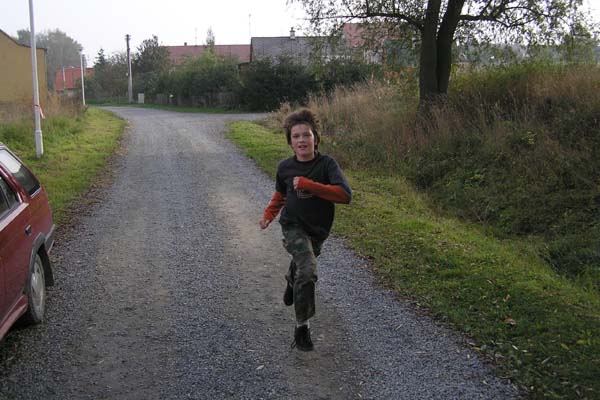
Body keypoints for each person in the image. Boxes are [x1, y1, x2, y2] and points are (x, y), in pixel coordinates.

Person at [259, 108, 352, 351]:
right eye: (296, 136)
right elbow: (281, 195)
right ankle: (302, 326)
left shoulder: (327, 165)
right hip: (292, 226)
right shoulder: (285, 168)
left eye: (306, 135)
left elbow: (344, 195)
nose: (302, 140)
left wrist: (310, 185)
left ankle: (292, 281)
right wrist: (268, 215)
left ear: (316, 138)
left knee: (302, 269)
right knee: (308, 270)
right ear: (290, 142)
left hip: (318, 230)